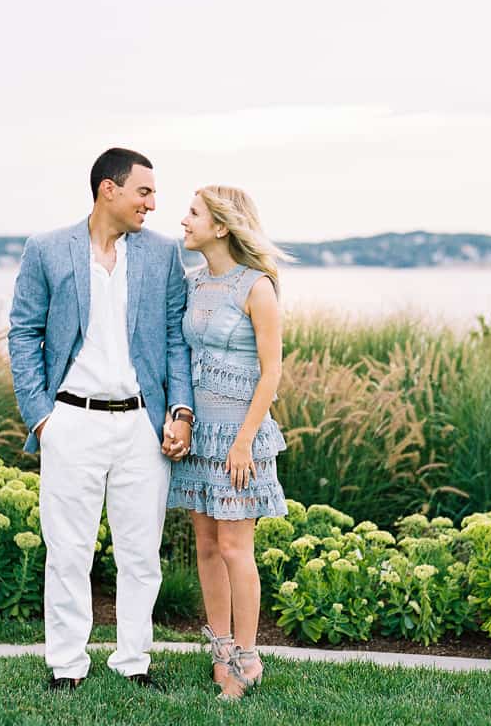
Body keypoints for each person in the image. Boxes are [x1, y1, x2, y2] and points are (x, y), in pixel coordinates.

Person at [8, 148, 194, 692]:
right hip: (70, 421)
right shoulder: (46, 249)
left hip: (141, 425)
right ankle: (67, 666)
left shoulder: (162, 254)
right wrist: (41, 418)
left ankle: (134, 661)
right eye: (144, 192)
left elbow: (176, 339)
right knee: (68, 552)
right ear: (108, 190)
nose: (152, 204)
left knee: (141, 555)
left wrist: (181, 412)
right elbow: (23, 333)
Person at [166, 185, 290, 700]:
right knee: (207, 547)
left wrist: (243, 442)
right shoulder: (194, 284)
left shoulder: (256, 286)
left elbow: (271, 371)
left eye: (193, 213)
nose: (184, 220)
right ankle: (219, 651)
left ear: (221, 226)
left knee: (237, 548)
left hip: (241, 437)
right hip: (202, 436)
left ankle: (247, 657)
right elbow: (181, 356)